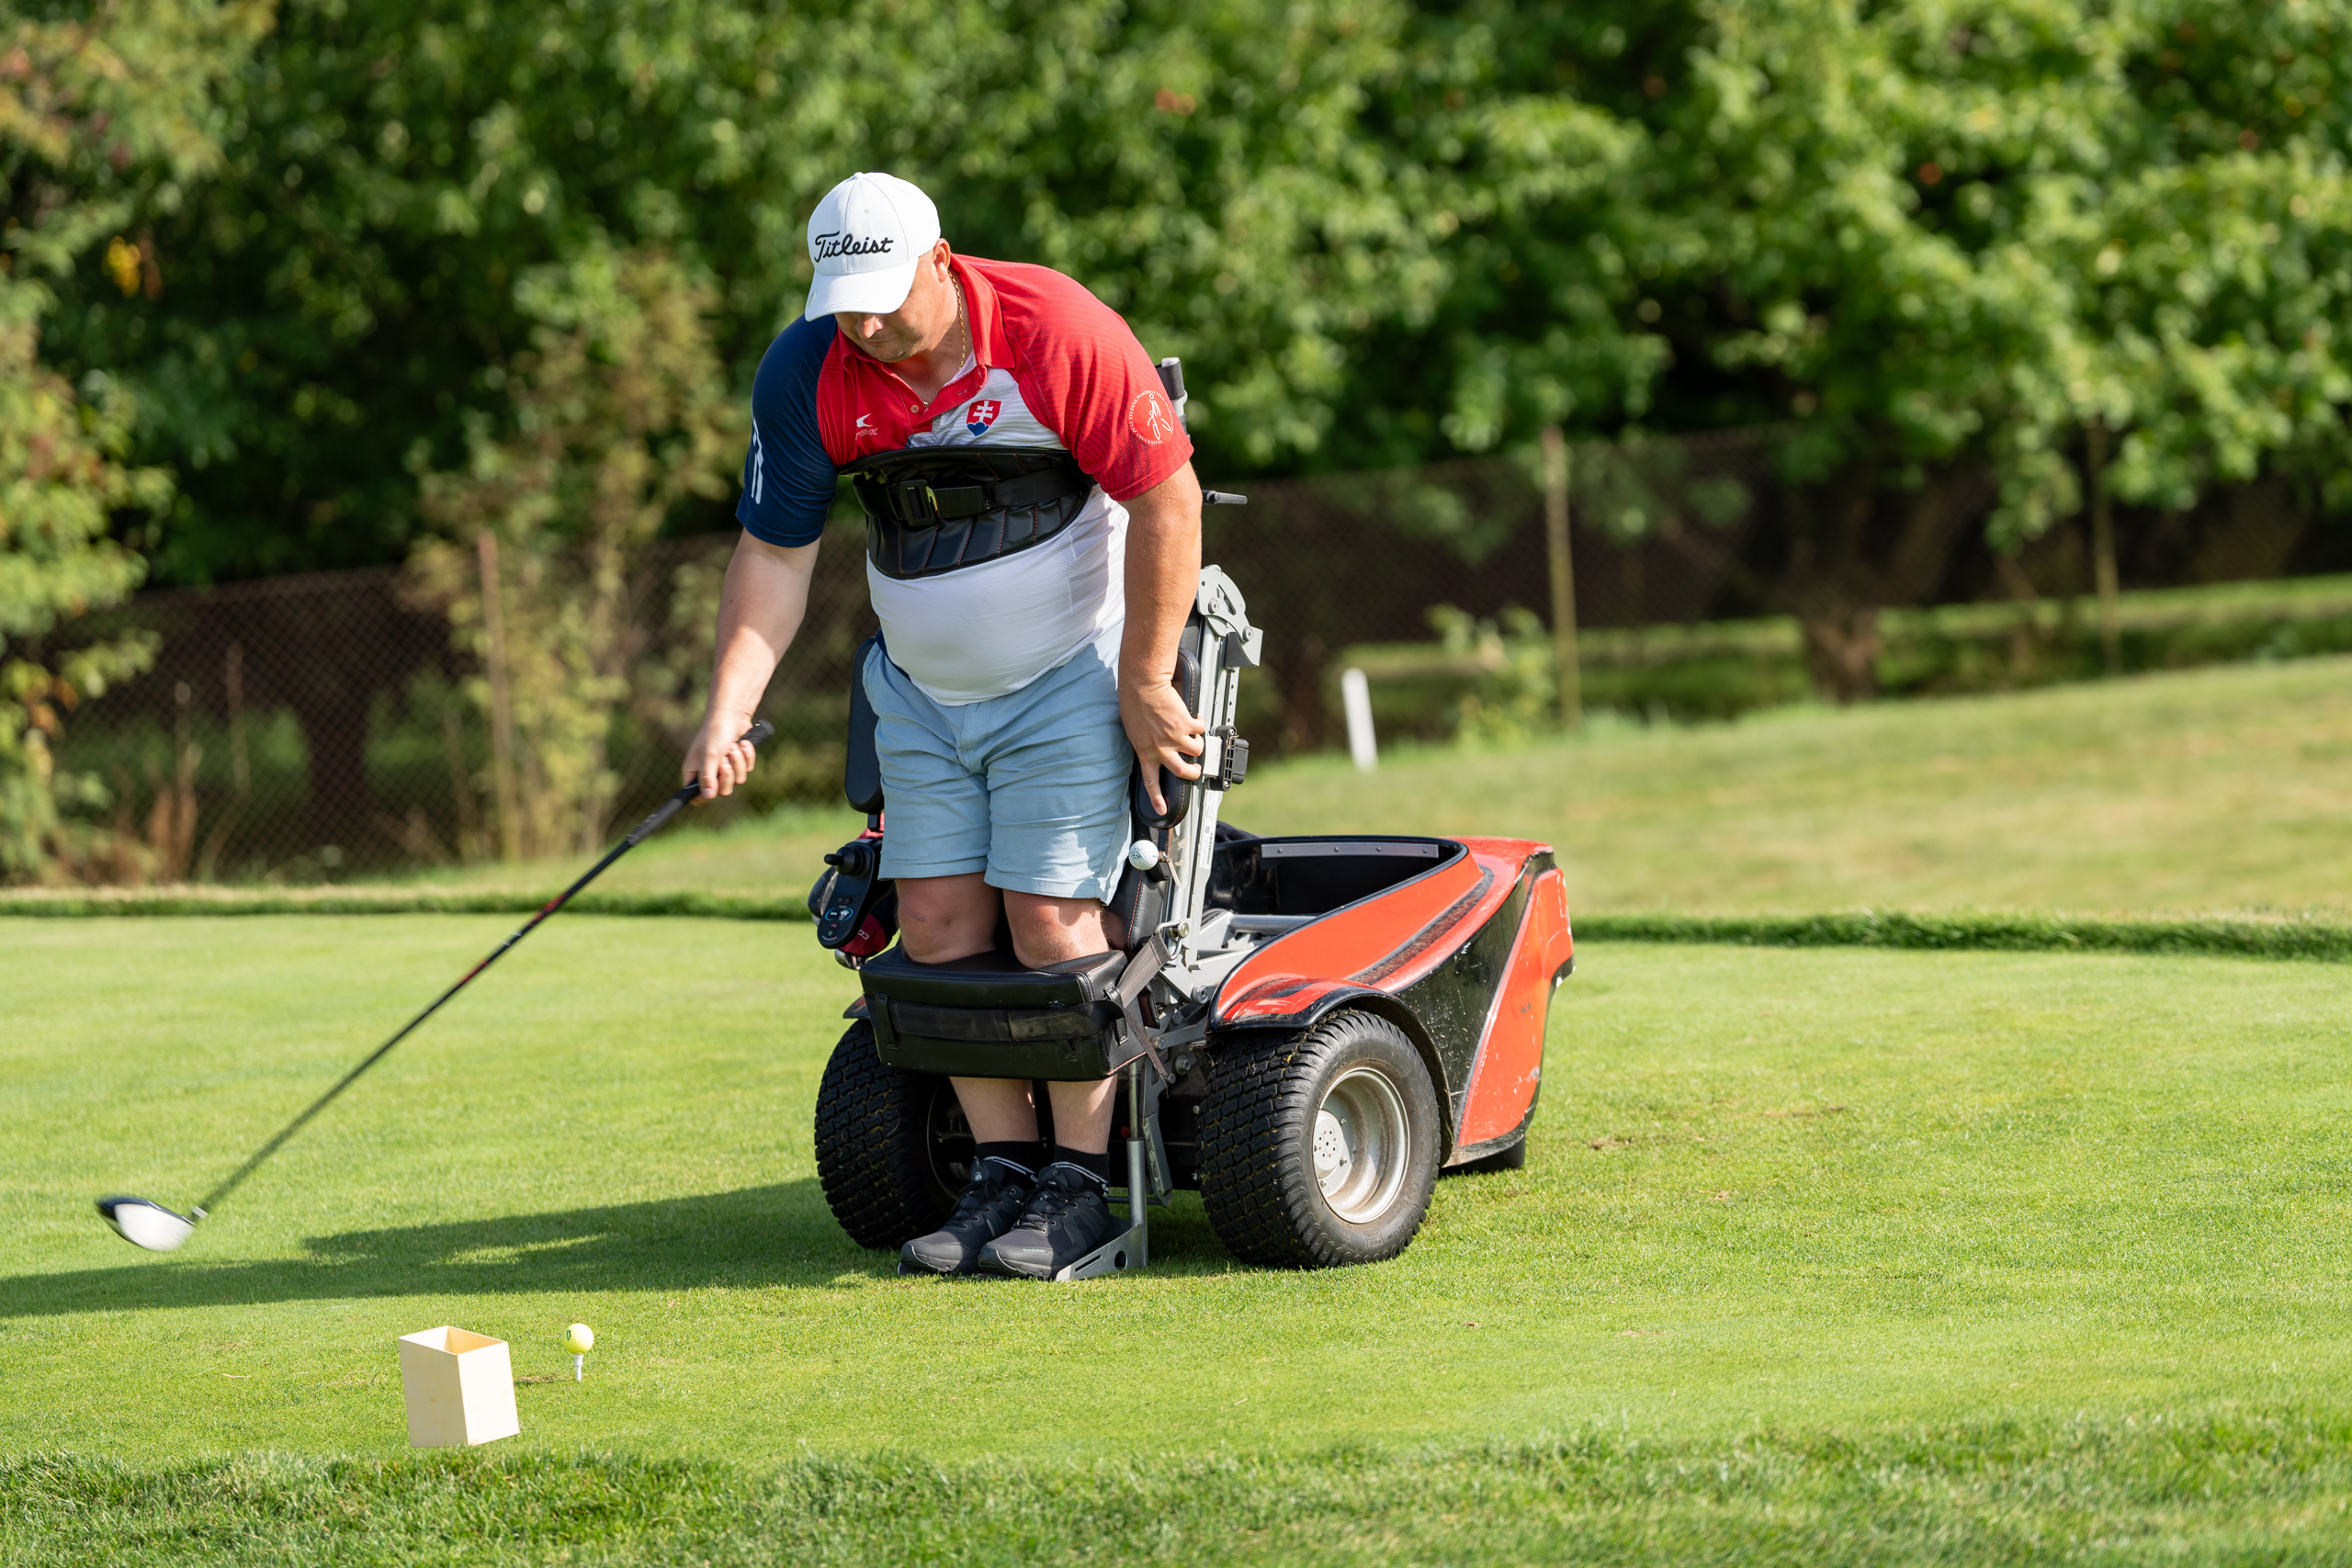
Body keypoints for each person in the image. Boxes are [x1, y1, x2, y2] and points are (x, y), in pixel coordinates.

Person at [683, 171, 1206, 1280]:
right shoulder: (810, 367)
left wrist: (1146, 677)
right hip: (918, 692)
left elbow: (1167, 496)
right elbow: (776, 553)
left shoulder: (1052, 329)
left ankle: (1079, 1184)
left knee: (1052, 924)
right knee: (932, 926)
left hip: (1069, 675)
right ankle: (1002, 1173)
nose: (864, 326)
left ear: (941, 259)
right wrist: (729, 711)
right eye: (842, 303)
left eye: (882, 297)